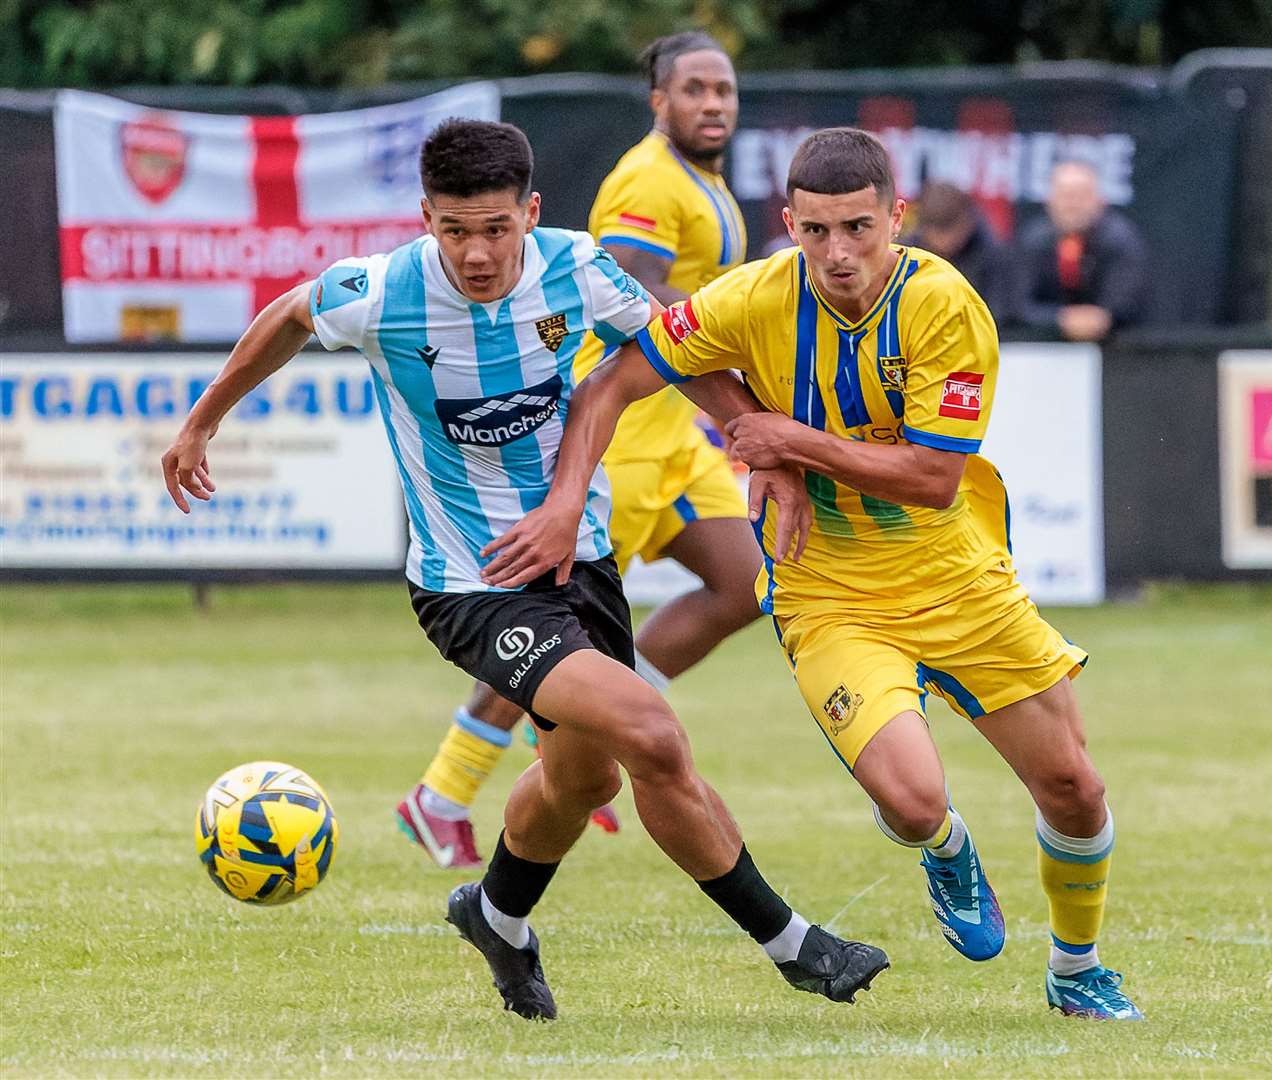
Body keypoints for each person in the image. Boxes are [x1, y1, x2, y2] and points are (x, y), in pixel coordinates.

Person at [160, 118, 888, 1020]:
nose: (474, 253)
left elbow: (675, 347)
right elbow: (290, 315)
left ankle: (496, 917)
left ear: (531, 213)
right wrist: (202, 422)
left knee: (583, 783)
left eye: (496, 229)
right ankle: (798, 947)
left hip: (580, 565)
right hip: (469, 585)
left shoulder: (575, 267)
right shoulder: (383, 290)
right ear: (426, 218)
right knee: (652, 735)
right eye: (454, 230)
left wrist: (761, 446)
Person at [482, 127, 1144, 1022]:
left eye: (860, 229)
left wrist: (785, 443)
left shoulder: (945, 306)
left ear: (896, 219)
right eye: (818, 231)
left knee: (1075, 787)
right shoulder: (750, 298)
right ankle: (945, 851)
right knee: (913, 805)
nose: (839, 253)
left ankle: (1077, 968)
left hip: (956, 574)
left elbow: (932, 475)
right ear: (788, 223)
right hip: (826, 589)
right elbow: (612, 381)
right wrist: (564, 502)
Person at [396, 31, 762, 869]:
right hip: (621, 436)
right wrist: (741, 319)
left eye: (724, 90)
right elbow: (638, 286)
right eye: (695, 90)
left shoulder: (703, 182)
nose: (713, 104)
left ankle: (599, 723)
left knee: (747, 583)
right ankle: (441, 794)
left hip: (679, 440)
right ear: (658, 102)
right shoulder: (646, 178)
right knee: (548, 618)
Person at [1013, 160, 1147, 341]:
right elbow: (1018, 304)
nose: (1073, 204)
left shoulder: (1121, 240)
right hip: (1043, 349)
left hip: (1116, 349)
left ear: (1100, 200)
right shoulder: (1033, 241)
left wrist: (1100, 319)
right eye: (1065, 195)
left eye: (1081, 195)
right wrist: (1060, 319)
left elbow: (1127, 305)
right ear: (1049, 200)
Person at [901, 181, 1014, 326]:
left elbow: (1001, 314)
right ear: (924, 229)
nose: (944, 242)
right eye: (937, 232)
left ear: (967, 222)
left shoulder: (994, 256)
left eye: (948, 231)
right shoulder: (906, 257)